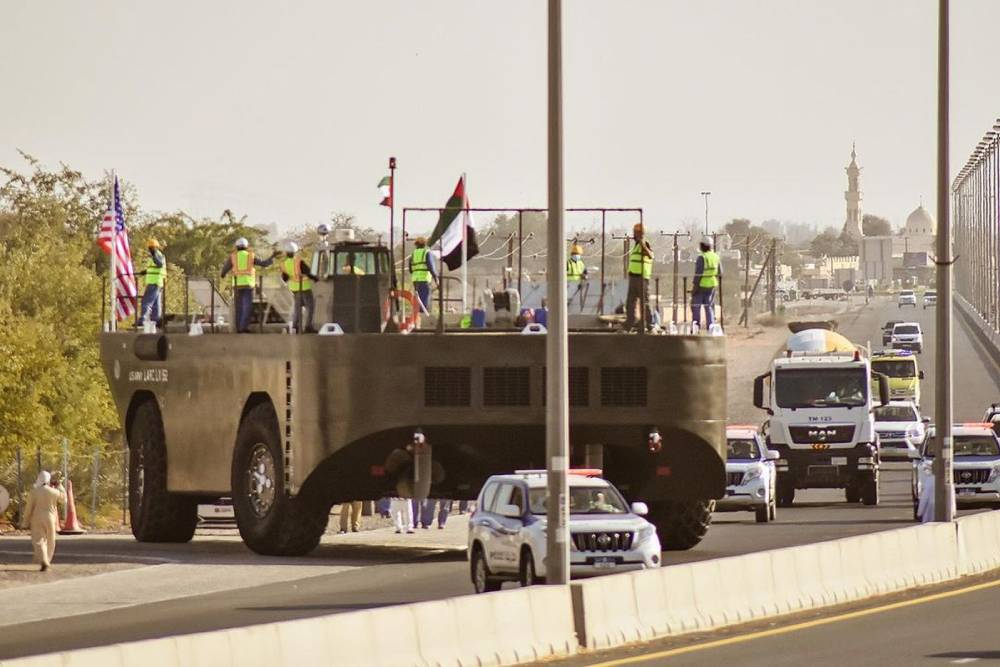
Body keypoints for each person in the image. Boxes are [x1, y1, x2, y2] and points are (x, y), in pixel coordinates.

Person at [220, 238, 276, 333]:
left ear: (236, 247)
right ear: (246, 246)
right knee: (247, 307)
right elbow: (264, 264)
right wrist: (272, 256)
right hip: (248, 285)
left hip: (237, 285)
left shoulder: (233, 257)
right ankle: (243, 328)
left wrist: (223, 274)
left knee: (239, 307)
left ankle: (238, 328)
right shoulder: (251, 256)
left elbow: (224, 270)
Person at [20, 471, 66, 572]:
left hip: (37, 518)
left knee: (39, 540)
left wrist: (25, 522)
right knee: (50, 540)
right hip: (50, 518)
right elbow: (64, 499)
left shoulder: (34, 492)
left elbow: (29, 508)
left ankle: (43, 560)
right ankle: (48, 559)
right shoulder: (53, 491)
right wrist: (60, 485)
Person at [280, 241, 319, 333]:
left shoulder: (283, 264)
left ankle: (295, 326)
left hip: (294, 289)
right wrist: (316, 279)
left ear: (286, 252)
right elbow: (309, 273)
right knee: (310, 307)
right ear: (296, 251)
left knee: (298, 307)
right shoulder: (299, 262)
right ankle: (308, 327)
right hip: (304, 288)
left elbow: (284, 278)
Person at [623, 224, 654, 331]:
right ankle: (629, 324)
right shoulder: (636, 245)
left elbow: (650, 255)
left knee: (644, 302)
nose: (634, 234)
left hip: (642, 279)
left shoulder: (644, 244)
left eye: (635, 232)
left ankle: (650, 324)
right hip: (634, 278)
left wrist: (642, 244)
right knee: (630, 303)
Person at [691, 235, 721, 328]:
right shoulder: (716, 257)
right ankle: (711, 327)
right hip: (712, 285)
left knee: (696, 306)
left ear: (702, 246)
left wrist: (694, 288)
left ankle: (696, 326)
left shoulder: (702, 257)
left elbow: (698, 274)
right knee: (709, 307)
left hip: (701, 285)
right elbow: (720, 272)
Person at [136, 239, 165, 328]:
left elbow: (159, 264)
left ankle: (143, 320)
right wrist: (145, 271)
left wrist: (154, 254)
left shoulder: (157, 255)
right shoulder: (156, 256)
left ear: (156, 247)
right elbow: (155, 268)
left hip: (154, 282)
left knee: (146, 301)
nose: (150, 249)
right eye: (150, 248)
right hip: (157, 283)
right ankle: (156, 320)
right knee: (156, 304)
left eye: (152, 248)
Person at [409, 237, 437, 315]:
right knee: (424, 298)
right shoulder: (427, 253)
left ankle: (416, 315)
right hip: (424, 279)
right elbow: (431, 267)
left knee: (418, 298)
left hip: (415, 280)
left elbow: (410, 269)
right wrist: (436, 278)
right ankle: (422, 316)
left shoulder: (413, 254)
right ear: (425, 244)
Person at [566, 243, 588, 310]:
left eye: (578, 254)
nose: (577, 256)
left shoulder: (581, 263)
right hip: (568, 283)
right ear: (572, 254)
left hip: (578, 284)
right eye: (575, 254)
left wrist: (585, 276)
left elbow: (585, 272)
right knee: (567, 297)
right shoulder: (567, 262)